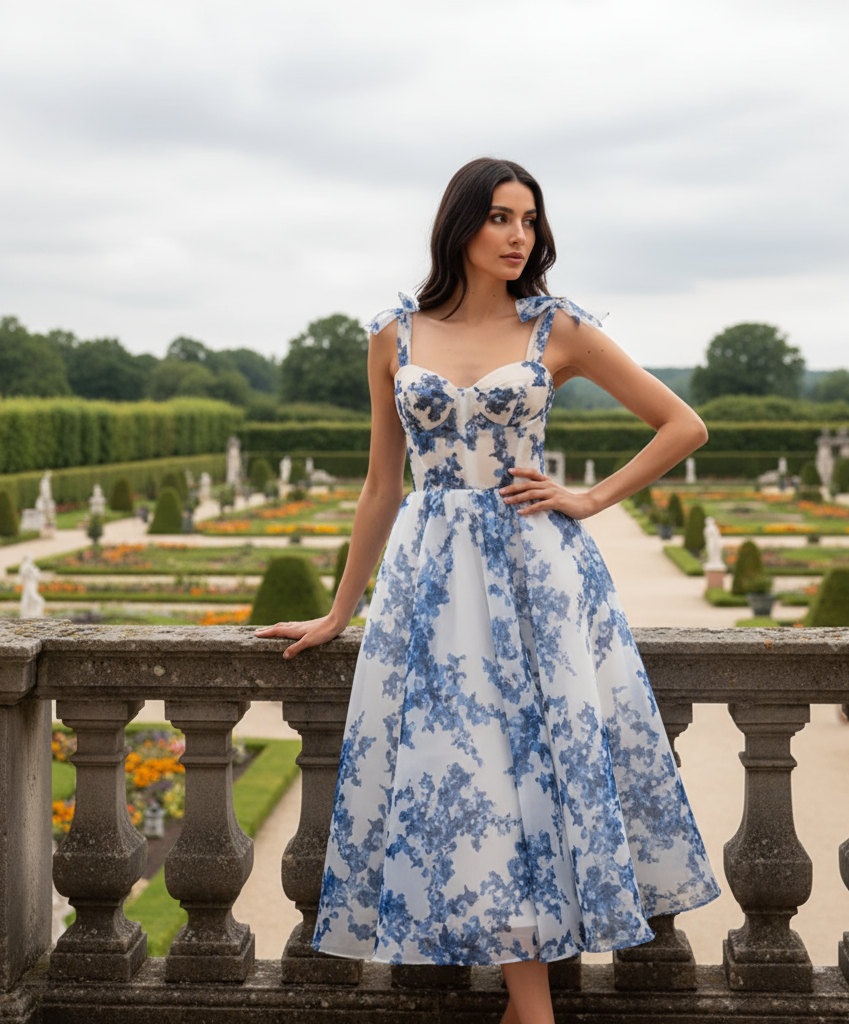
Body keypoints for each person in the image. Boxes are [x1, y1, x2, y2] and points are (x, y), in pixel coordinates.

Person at [255, 157, 719, 1024]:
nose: (519, 236)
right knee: (462, 777)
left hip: (535, 576)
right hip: (428, 585)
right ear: (461, 225)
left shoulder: (558, 329)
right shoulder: (394, 334)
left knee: (530, 771)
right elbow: (380, 488)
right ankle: (526, 1006)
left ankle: (529, 1006)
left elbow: (682, 424)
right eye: (502, 218)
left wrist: (585, 499)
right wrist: (338, 610)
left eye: (531, 221)